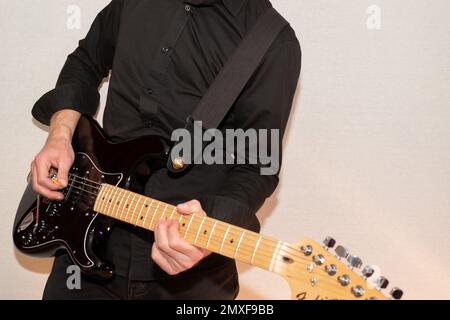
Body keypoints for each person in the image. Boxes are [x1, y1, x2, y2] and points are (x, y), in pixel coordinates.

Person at [30, 0, 301, 299]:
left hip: (189, 276)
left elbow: (256, 165)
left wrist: (210, 228)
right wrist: (59, 134)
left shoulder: (273, 42)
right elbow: (86, 62)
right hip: (82, 234)